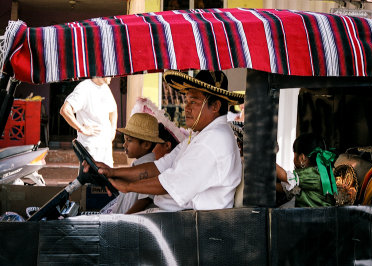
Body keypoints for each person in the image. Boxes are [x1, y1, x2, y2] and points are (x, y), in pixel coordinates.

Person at [84, 70, 244, 212]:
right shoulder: (201, 135)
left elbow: (172, 183)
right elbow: (159, 167)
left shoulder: (214, 139)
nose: (186, 108)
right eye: (186, 101)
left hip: (193, 225)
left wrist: (127, 186)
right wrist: (112, 172)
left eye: (193, 102)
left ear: (215, 106)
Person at [102, 113, 165, 214]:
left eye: (129, 140)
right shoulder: (136, 165)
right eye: (125, 139)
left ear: (146, 145)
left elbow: (145, 200)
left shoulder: (148, 168)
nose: (124, 144)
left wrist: (125, 219)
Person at [60, 77, 117, 167]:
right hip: (91, 148)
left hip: (105, 146)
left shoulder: (105, 87)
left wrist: (113, 130)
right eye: (110, 72)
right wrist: (81, 128)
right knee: (91, 178)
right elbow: (65, 110)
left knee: (106, 179)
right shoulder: (84, 88)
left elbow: (113, 109)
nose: (113, 76)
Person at [276, 133, 337, 207]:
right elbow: (289, 188)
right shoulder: (321, 173)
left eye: (294, 155)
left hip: (314, 216)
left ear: (302, 158)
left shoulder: (312, 174)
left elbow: (286, 177)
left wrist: (267, 157)